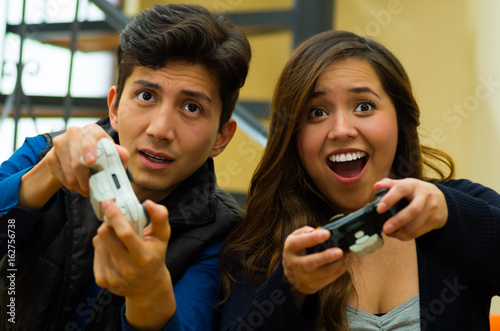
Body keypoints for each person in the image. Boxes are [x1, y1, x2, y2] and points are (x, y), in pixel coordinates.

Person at [219, 30, 500, 330]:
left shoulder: (460, 206)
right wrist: (290, 289)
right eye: (316, 112)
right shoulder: (259, 243)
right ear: (293, 137)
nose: (341, 129)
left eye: (364, 106)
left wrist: (451, 218)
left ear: (400, 119)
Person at [0, 3, 251, 330]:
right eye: (147, 96)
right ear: (114, 107)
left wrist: (148, 291)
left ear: (221, 136)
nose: (160, 129)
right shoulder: (43, 154)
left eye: (191, 107)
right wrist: (45, 175)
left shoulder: (227, 238)